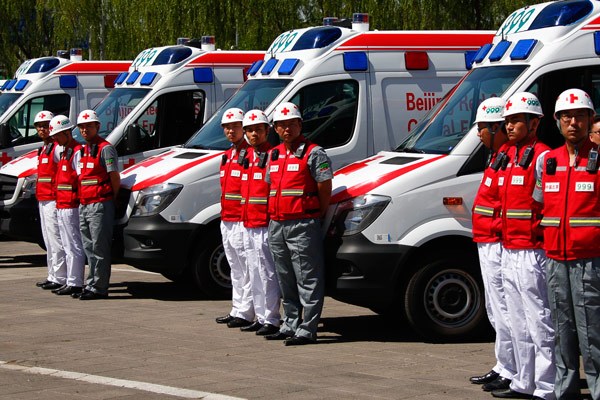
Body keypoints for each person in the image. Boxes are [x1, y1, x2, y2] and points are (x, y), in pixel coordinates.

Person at [533, 88, 600, 400]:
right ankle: (566, 392)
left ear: (590, 120)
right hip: (555, 260)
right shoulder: (548, 162)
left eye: (580, 116)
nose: (574, 122)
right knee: (562, 331)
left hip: (590, 261)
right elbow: (538, 205)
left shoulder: (598, 160)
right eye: (567, 117)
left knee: (593, 334)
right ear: (558, 122)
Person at [493, 92, 555, 400]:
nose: (510, 126)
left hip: (532, 249)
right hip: (509, 247)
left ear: (534, 123)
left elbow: (546, 203)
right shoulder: (509, 156)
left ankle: (546, 387)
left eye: (517, 120)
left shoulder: (543, 156)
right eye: (507, 121)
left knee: (539, 320)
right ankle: (523, 381)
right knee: (517, 320)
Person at [264, 102, 332, 346]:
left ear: (300, 125)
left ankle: (308, 328)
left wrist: (317, 214)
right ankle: (289, 323)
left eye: (291, 124)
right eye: (281, 125)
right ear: (275, 128)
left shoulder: (314, 153)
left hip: (302, 223)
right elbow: (271, 186)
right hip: (277, 224)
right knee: (285, 277)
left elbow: (325, 187)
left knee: (307, 277)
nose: (286, 129)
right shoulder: (274, 154)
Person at [469, 98, 515, 393]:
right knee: (494, 308)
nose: (478, 134)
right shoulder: (496, 157)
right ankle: (504, 365)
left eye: (482, 128)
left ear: (496, 127)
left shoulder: (511, 158)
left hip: (499, 242)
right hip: (486, 240)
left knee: (508, 310)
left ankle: (515, 370)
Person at [238, 109, 281, 336]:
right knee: (253, 272)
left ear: (267, 131)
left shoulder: (272, 156)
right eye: (250, 130)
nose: (254, 134)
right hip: (248, 223)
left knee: (268, 273)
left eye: (258, 129)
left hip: (264, 223)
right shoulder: (248, 157)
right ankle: (260, 315)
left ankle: (272, 318)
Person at [214, 108, 254, 328]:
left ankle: (246, 312)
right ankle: (237, 308)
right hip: (227, 218)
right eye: (227, 127)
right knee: (235, 267)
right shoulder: (227, 155)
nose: (230, 131)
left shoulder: (250, 154)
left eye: (235, 126)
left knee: (246, 267)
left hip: (241, 218)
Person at [75, 109, 120, 300]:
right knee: (88, 247)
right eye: (82, 127)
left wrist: (112, 199)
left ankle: (100, 287)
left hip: (100, 203)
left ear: (97, 127)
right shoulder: (83, 150)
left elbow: (114, 177)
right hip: (85, 204)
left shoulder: (105, 149)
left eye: (89, 126)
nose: (85, 130)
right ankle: (91, 282)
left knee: (99, 247)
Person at [48, 115, 85, 296]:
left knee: (73, 245)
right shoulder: (64, 150)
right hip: (62, 203)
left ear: (66, 132)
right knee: (67, 244)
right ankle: (71, 280)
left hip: (71, 204)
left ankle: (76, 281)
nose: (54, 139)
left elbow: (81, 177)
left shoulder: (77, 150)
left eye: (57, 135)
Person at [33, 110, 67, 291]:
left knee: (56, 239)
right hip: (43, 198)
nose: (42, 129)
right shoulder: (43, 148)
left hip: (53, 199)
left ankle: (61, 277)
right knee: (48, 239)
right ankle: (53, 274)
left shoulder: (57, 148)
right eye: (39, 126)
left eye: (46, 126)